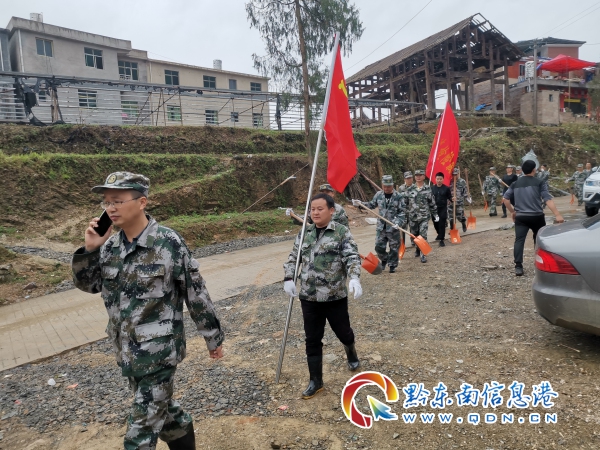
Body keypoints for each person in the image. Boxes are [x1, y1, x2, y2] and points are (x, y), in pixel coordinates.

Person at [72, 172, 224, 450]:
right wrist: (90, 249)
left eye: (117, 201)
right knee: (166, 416)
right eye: (106, 202)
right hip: (127, 351)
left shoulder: (168, 242)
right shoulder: (110, 246)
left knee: (140, 433)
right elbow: (89, 285)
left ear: (141, 202)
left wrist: (212, 337)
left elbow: (195, 292)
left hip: (160, 353)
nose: (110, 208)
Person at [283, 193, 362, 399]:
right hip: (309, 296)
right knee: (312, 338)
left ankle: (351, 351)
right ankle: (315, 381)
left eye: (320, 209)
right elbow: (294, 257)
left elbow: (352, 256)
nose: (315, 213)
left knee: (343, 332)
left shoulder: (341, 232)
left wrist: (354, 277)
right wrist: (288, 277)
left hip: (334, 296)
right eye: (312, 209)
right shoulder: (305, 233)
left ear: (331, 211)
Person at [503, 161, 564, 277]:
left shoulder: (515, 183)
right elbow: (547, 199)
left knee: (519, 240)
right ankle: (539, 264)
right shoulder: (539, 182)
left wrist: (512, 212)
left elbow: (505, 199)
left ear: (522, 170)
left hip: (521, 217)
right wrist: (557, 214)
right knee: (539, 240)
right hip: (537, 217)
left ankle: (518, 267)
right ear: (534, 170)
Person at [353, 175, 406, 273]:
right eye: (384, 186)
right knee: (378, 246)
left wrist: (398, 222)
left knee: (394, 248)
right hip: (381, 227)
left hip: (393, 227)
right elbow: (371, 205)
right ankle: (384, 259)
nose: (386, 188)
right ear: (382, 185)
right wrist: (360, 204)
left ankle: (392, 265)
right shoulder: (379, 195)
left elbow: (402, 212)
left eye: (388, 186)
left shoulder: (398, 196)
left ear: (392, 185)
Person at [405, 170, 438, 263]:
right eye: (416, 175)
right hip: (413, 217)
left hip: (424, 216)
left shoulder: (427, 189)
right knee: (414, 235)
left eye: (420, 175)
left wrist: (435, 214)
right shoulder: (410, 189)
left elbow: (432, 203)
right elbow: (405, 203)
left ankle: (423, 254)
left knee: (423, 235)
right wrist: (405, 214)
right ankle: (417, 248)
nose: (418, 177)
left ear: (424, 177)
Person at [431, 172, 452, 247]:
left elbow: (450, 197)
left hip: (443, 209)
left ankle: (441, 239)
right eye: (437, 179)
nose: (439, 180)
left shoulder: (446, 188)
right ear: (435, 179)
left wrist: (452, 199)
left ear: (443, 179)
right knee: (435, 224)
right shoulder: (432, 188)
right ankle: (439, 234)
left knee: (442, 224)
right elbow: (429, 198)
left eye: (440, 179)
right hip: (434, 209)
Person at [448, 167, 470, 232]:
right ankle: (452, 229)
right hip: (450, 202)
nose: (455, 176)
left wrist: (468, 198)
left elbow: (465, 191)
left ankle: (463, 223)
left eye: (456, 174)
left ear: (458, 174)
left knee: (460, 215)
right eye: (453, 174)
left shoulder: (462, 181)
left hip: (459, 202)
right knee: (451, 217)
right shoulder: (449, 181)